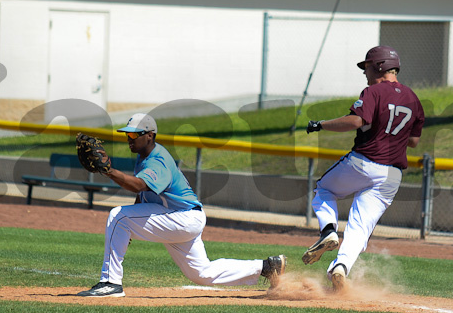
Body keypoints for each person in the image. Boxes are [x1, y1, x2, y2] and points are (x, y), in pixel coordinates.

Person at [77, 113, 286, 297]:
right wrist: (127, 229)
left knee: (118, 215)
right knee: (202, 273)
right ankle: (268, 267)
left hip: (181, 217)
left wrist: (108, 171)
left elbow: (138, 185)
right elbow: (142, 193)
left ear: (150, 135)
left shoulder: (157, 159)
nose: (129, 139)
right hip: (182, 217)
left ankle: (110, 283)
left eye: (134, 135)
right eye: (127, 135)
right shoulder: (144, 157)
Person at [302, 46, 424, 292]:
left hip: (365, 161)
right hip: (392, 175)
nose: (364, 73)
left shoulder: (374, 91)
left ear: (379, 66)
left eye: (366, 67)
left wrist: (320, 125)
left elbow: (356, 120)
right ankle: (341, 268)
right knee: (360, 227)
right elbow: (413, 141)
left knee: (324, 189)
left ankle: (328, 230)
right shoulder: (414, 99)